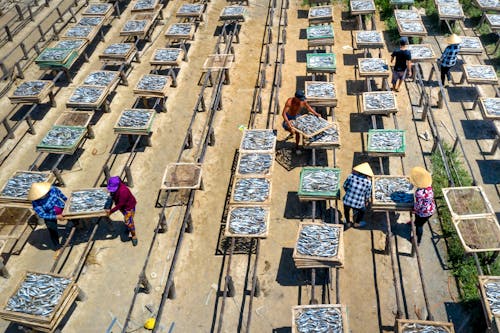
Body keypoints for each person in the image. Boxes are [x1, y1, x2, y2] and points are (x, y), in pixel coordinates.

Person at [28, 182, 67, 258]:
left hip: (58, 207)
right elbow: (42, 214)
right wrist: (56, 217)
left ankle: (77, 223)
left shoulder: (52, 189)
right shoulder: (35, 201)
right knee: (52, 229)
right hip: (49, 214)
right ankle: (57, 247)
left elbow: (61, 194)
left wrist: (66, 201)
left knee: (71, 216)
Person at [106, 176, 138, 246]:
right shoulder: (118, 187)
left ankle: (133, 236)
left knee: (129, 223)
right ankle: (128, 228)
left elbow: (120, 204)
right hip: (123, 207)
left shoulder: (124, 191)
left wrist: (111, 211)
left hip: (129, 208)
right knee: (127, 220)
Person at [409, 166, 436, 245]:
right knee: (419, 221)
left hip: (423, 213)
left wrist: (414, 210)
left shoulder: (419, 193)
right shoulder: (429, 186)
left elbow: (418, 205)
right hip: (431, 209)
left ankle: (418, 240)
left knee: (419, 226)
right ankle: (416, 222)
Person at [343, 162, 374, 228]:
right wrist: (366, 202)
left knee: (346, 211)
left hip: (347, 200)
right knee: (362, 211)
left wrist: (349, 192)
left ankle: (348, 223)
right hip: (358, 204)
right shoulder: (368, 183)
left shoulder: (351, 176)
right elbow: (367, 195)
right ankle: (356, 223)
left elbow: (345, 186)